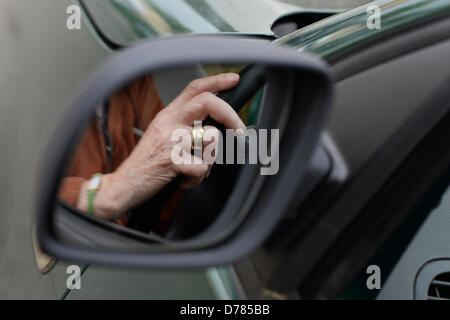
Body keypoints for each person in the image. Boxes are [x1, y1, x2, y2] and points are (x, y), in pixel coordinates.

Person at [33, 72, 245, 273]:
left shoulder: (135, 76)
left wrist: (193, 152)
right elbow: (41, 242)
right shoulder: (43, 84)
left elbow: (162, 181)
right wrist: (111, 192)